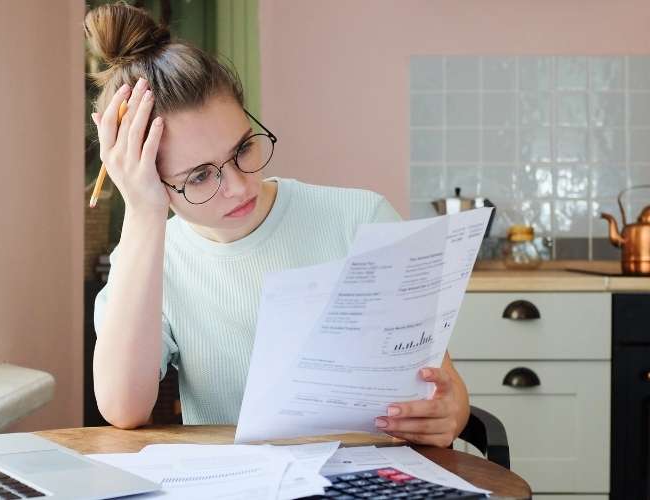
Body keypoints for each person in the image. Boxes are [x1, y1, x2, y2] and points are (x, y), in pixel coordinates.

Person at [88, 1, 469, 448]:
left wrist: (453, 408)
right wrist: (142, 212)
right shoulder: (150, 256)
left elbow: (438, 379)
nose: (238, 186)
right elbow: (122, 408)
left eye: (243, 149)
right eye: (199, 176)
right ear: (150, 179)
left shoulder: (361, 219)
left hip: (371, 473)